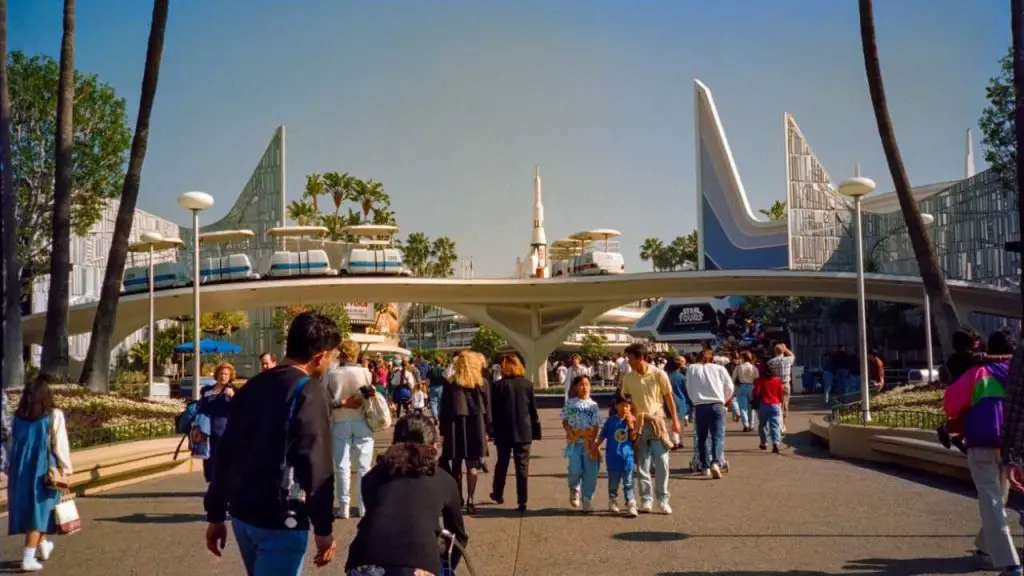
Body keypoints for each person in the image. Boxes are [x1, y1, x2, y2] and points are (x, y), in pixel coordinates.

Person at [204, 311, 341, 574]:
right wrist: (323, 528)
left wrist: (216, 512)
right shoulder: (310, 391)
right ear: (320, 355)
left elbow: (227, 452)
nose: (330, 362)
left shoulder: (252, 386)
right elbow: (317, 463)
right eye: (331, 355)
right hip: (281, 518)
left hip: (243, 515)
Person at [344, 414, 469, 575]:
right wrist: (446, 564)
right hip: (421, 563)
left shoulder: (373, 475)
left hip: (364, 560)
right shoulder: (444, 479)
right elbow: (458, 536)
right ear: (434, 445)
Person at [944, 328, 1021, 576]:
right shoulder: (1019, 374)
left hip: (983, 445)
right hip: (1013, 448)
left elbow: (951, 404)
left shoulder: (979, 373)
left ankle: (1010, 564)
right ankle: (984, 548)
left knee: (992, 503)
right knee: (1001, 500)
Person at [7, 376, 72, 572]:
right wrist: (67, 470)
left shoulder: (16, 418)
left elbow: (10, 445)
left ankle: (43, 545)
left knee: (32, 509)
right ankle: (28, 557)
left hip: (19, 470)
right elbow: (60, 445)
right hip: (43, 469)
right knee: (40, 510)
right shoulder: (53, 415)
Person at [620, 343, 680, 514]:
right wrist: (629, 417)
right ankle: (646, 499)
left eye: (631, 359)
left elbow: (669, 398)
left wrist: (675, 420)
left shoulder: (658, 374)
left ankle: (663, 499)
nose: (629, 362)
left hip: (657, 421)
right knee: (642, 464)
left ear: (641, 358)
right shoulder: (628, 378)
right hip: (639, 424)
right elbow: (626, 400)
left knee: (662, 462)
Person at [325, 339, 376, 520]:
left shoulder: (332, 374)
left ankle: (344, 506)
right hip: (362, 420)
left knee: (342, 466)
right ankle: (363, 506)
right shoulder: (366, 373)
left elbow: (326, 400)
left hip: (340, 421)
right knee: (364, 467)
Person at [488, 353, 541, 512]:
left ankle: (498, 493)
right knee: (522, 467)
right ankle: (522, 500)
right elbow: (533, 410)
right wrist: (536, 429)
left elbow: (493, 411)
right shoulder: (527, 385)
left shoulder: (497, 386)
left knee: (502, 463)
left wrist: (491, 430)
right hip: (524, 430)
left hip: (503, 430)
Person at [439, 352, 490, 514]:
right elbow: (488, 409)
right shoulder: (482, 383)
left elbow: (444, 410)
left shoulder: (451, 383)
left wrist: (442, 431)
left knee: (456, 465)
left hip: (455, 426)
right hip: (476, 425)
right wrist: (489, 429)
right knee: (472, 464)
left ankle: (459, 497)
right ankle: (471, 500)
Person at [686, 348, 735, 479]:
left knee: (701, 437)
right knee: (717, 436)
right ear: (712, 358)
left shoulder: (691, 368)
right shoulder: (719, 369)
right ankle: (716, 462)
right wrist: (723, 399)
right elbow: (730, 387)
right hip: (717, 404)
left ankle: (705, 465)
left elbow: (688, 387)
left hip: (700, 405)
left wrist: (694, 400)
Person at [561, 375, 601, 512]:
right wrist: (569, 431)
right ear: (576, 387)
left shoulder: (593, 405)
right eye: (581, 385)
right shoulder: (571, 403)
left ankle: (587, 499)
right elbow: (565, 420)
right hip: (574, 443)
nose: (584, 387)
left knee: (591, 473)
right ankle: (574, 489)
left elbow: (596, 425)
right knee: (575, 470)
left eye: (587, 384)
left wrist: (593, 440)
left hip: (589, 443)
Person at [597, 392, 638, 517]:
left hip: (627, 458)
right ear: (616, 406)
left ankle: (630, 502)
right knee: (613, 482)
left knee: (629, 482)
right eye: (622, 405)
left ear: (630, 407)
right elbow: (602, 436)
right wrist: (595, 448)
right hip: (613, 457)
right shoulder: (610, 421)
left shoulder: (632, 421)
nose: (624, 408)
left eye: (627, 406)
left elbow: (634, 438)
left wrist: (631, 426)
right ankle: (613, 500)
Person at [198, 362, 236, 483]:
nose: (223, 376)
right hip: (206, 430)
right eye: (221, 373)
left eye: (226, 374)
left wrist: (233, 397)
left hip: (224, 430)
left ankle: (222, 483)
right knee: (209, 458)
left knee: (223, 458)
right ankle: (212, 481)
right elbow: (201, 406)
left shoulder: (234, 390)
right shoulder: (207, 390)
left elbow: (240, 409)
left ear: (230, 376)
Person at [753, 366, 785, 453]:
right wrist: (780, 402)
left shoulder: (760, 380)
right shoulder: (777, 380)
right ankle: (776, 443)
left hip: (764, 404)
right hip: (775, 404)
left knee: (763, 424)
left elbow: (756, 392)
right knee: (775, 425)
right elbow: (781, 393)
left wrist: (755, 400)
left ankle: (764, 442)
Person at [767, 343, 796, 431]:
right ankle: (783, 424)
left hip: (775, 385)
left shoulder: (771, 362)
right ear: (783, 351)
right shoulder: (788, 360)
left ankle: (777, 423)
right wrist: (785, 348)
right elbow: (792, 355)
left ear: (775, 351)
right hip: (786, 384)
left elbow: (769, 374)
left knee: (776, 404)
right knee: (785, 404)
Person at [732, 350, 759, 432]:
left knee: (743, 407)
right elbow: (757, 378)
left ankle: (745, 425)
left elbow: (733, 378)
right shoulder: (753, 367)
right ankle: (751, 425)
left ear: (743, 357)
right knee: (751, 407)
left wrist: (733, 388)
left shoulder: (739, 367)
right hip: (751, 386)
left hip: (741, 386)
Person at [665, 357, 688, 450]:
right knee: (680, 423)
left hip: (668, 403)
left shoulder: (665, 377)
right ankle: (680, 440)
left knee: (671, 422)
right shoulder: (682, 378)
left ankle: (674, 441)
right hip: (681, 402)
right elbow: (686, 391)